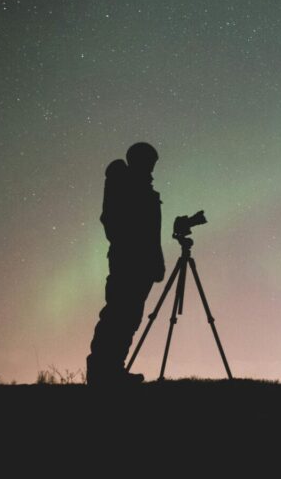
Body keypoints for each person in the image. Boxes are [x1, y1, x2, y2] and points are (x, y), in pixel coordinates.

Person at [86, 142, 166, 385]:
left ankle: (113, 369)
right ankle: (103, 372)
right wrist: (134, 248)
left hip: (140, 263)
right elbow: (113, 221)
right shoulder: (126, 184)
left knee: (129, 317)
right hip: (129, 261)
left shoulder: (141, 186)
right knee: (118, 315)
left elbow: (151, 232)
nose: (152, 168)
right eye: (149, 162)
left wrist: (155, 260)